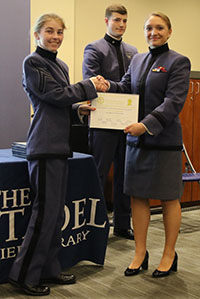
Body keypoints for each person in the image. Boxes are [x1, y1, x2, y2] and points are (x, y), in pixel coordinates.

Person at [8, 13, 108, 296]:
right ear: (37, 35)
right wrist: (88, 86)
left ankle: (49, 269)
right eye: (49, 31)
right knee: (43, 215)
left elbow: (62, 102)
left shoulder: (60, 64)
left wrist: (79, 109)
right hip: (44, 146)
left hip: (60, 147)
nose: (55, 37)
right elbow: (53, 95)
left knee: (53, 216)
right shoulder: (33, 62)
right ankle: (24, 275)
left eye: (60, 32)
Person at [108, 12, 191, 277]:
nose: (153, 32)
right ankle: (139, 253)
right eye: (148, 28)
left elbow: (174, 102)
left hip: (163, 141)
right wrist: (100, 87)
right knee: (138, 197)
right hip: (136, 142)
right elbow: (124, 88)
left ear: (169, 31)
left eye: (159, 28)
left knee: (169, 198)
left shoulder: (178, 61)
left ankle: (169, 254)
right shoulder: (138, 60)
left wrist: (145, 125)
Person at [82, 4, 137, 240]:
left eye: (124, 21)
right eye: (116, 20)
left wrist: (113, 85)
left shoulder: (133, 51)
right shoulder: (94, 48)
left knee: (126, 173)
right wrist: (115, 86)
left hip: (127, 120)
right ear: (106, 21)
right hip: (103, 120)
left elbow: (132, 85)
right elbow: (91, 81)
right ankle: (94, 225)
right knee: (99, 173)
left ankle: (123, 224)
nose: (121, 25)